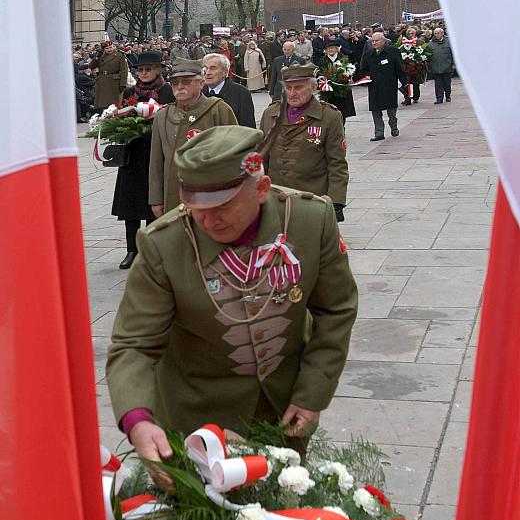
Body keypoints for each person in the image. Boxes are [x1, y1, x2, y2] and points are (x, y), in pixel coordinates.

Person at [106, 125, 358, 472]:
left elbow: (335, 309)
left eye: (223, 205)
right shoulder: (164, 244)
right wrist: (137, 418)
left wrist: (313, 392)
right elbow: (134, 343)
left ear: (261, 189)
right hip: (195, 424)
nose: (208, 219)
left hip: (283, 416)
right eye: (196, 206)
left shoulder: (310, 221)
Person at [260, 63, 349, 221]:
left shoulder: (329, 116)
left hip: (311, 201)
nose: (292, 93)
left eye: (299, 87)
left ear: (314, 87)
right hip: (275, 200)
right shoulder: (271, 114)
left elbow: (337, 164)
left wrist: (336, 201)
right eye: (288, 88)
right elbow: (262, 160)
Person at [148, 59, 237, 216]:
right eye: (175, 83)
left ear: (201, 83)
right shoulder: (163, 116)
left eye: (186, 82)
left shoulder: (218, 110)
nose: (180, 87)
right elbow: (156, 162)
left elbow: (236, 155)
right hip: (174, 193)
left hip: (212, 193)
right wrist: (156, 199)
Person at [111, 51, 174, 270]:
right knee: (131, 205)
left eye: (148, 69)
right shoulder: (131, 91)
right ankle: (131, 250)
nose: (144, 73)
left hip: (156, 155)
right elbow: (121, 115)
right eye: (141, 70)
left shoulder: (167, 91)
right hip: (133, 154)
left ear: (158, 69)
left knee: (153, 203)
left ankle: (151, 251)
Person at [361, 32, 408, 141]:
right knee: (375, 110)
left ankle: (393, 126)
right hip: (374, 86)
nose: (374, 43)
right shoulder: (368, 54)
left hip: (389, 85)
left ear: (383, 41)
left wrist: (404, 82)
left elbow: (400, 68)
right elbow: (363, 69)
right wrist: (365, 77)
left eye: (376, 41)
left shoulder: (393, 51)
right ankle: (379, 133)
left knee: (391, 110)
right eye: (372, 41)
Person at [202, 53, 256, 129]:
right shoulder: (198, 92)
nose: (207, 73)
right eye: (205, 68)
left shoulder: (241, 93)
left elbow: (248, 128)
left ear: (225, 72)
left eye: (213, 68)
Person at [318, 40, 356, 123]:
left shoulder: (343, 58)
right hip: (328, 91)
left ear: (337, 49)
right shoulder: (322, 60)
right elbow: (319, 73)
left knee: (342, 111)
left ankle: (342, 128)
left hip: (342, 89)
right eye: (328, 48)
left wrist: (344, 78)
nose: (330, 50)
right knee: (329, 111)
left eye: (332, 48)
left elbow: (349, 71)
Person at [89, 40, 128, 113]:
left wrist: (123, 83)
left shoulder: (119, 56)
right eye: (107, 48)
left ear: (113, 47)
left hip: (114, 82)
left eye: (110, 47)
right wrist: (97, 57)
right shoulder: (101, 56)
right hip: (102, 81)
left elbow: (124, 71)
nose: (109, 49)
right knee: (101, 104)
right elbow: (91, 66)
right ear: (103, 49)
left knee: (113, 104)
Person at [429, 27, 454, 103]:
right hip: (435, 67)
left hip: (446, 66)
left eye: (438, 33)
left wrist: (453, 64)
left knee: (447, 83)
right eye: (435, 33)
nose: (436, 35)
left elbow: (453, 54)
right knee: (438, 84)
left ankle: (448, 96)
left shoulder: (449, 41)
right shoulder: (431, 43)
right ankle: (439, 98)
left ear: (442, 33)